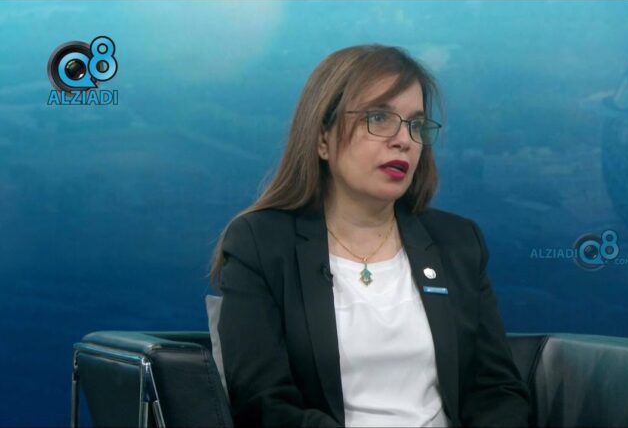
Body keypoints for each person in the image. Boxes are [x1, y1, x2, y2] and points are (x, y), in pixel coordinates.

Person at [209, 44, 531, 427]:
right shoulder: (261, 243)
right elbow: (262, 403)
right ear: (322, 138)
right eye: (379, 118)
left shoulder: (457, 242)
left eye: (415, 125)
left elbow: (496, 391)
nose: (404, 140)